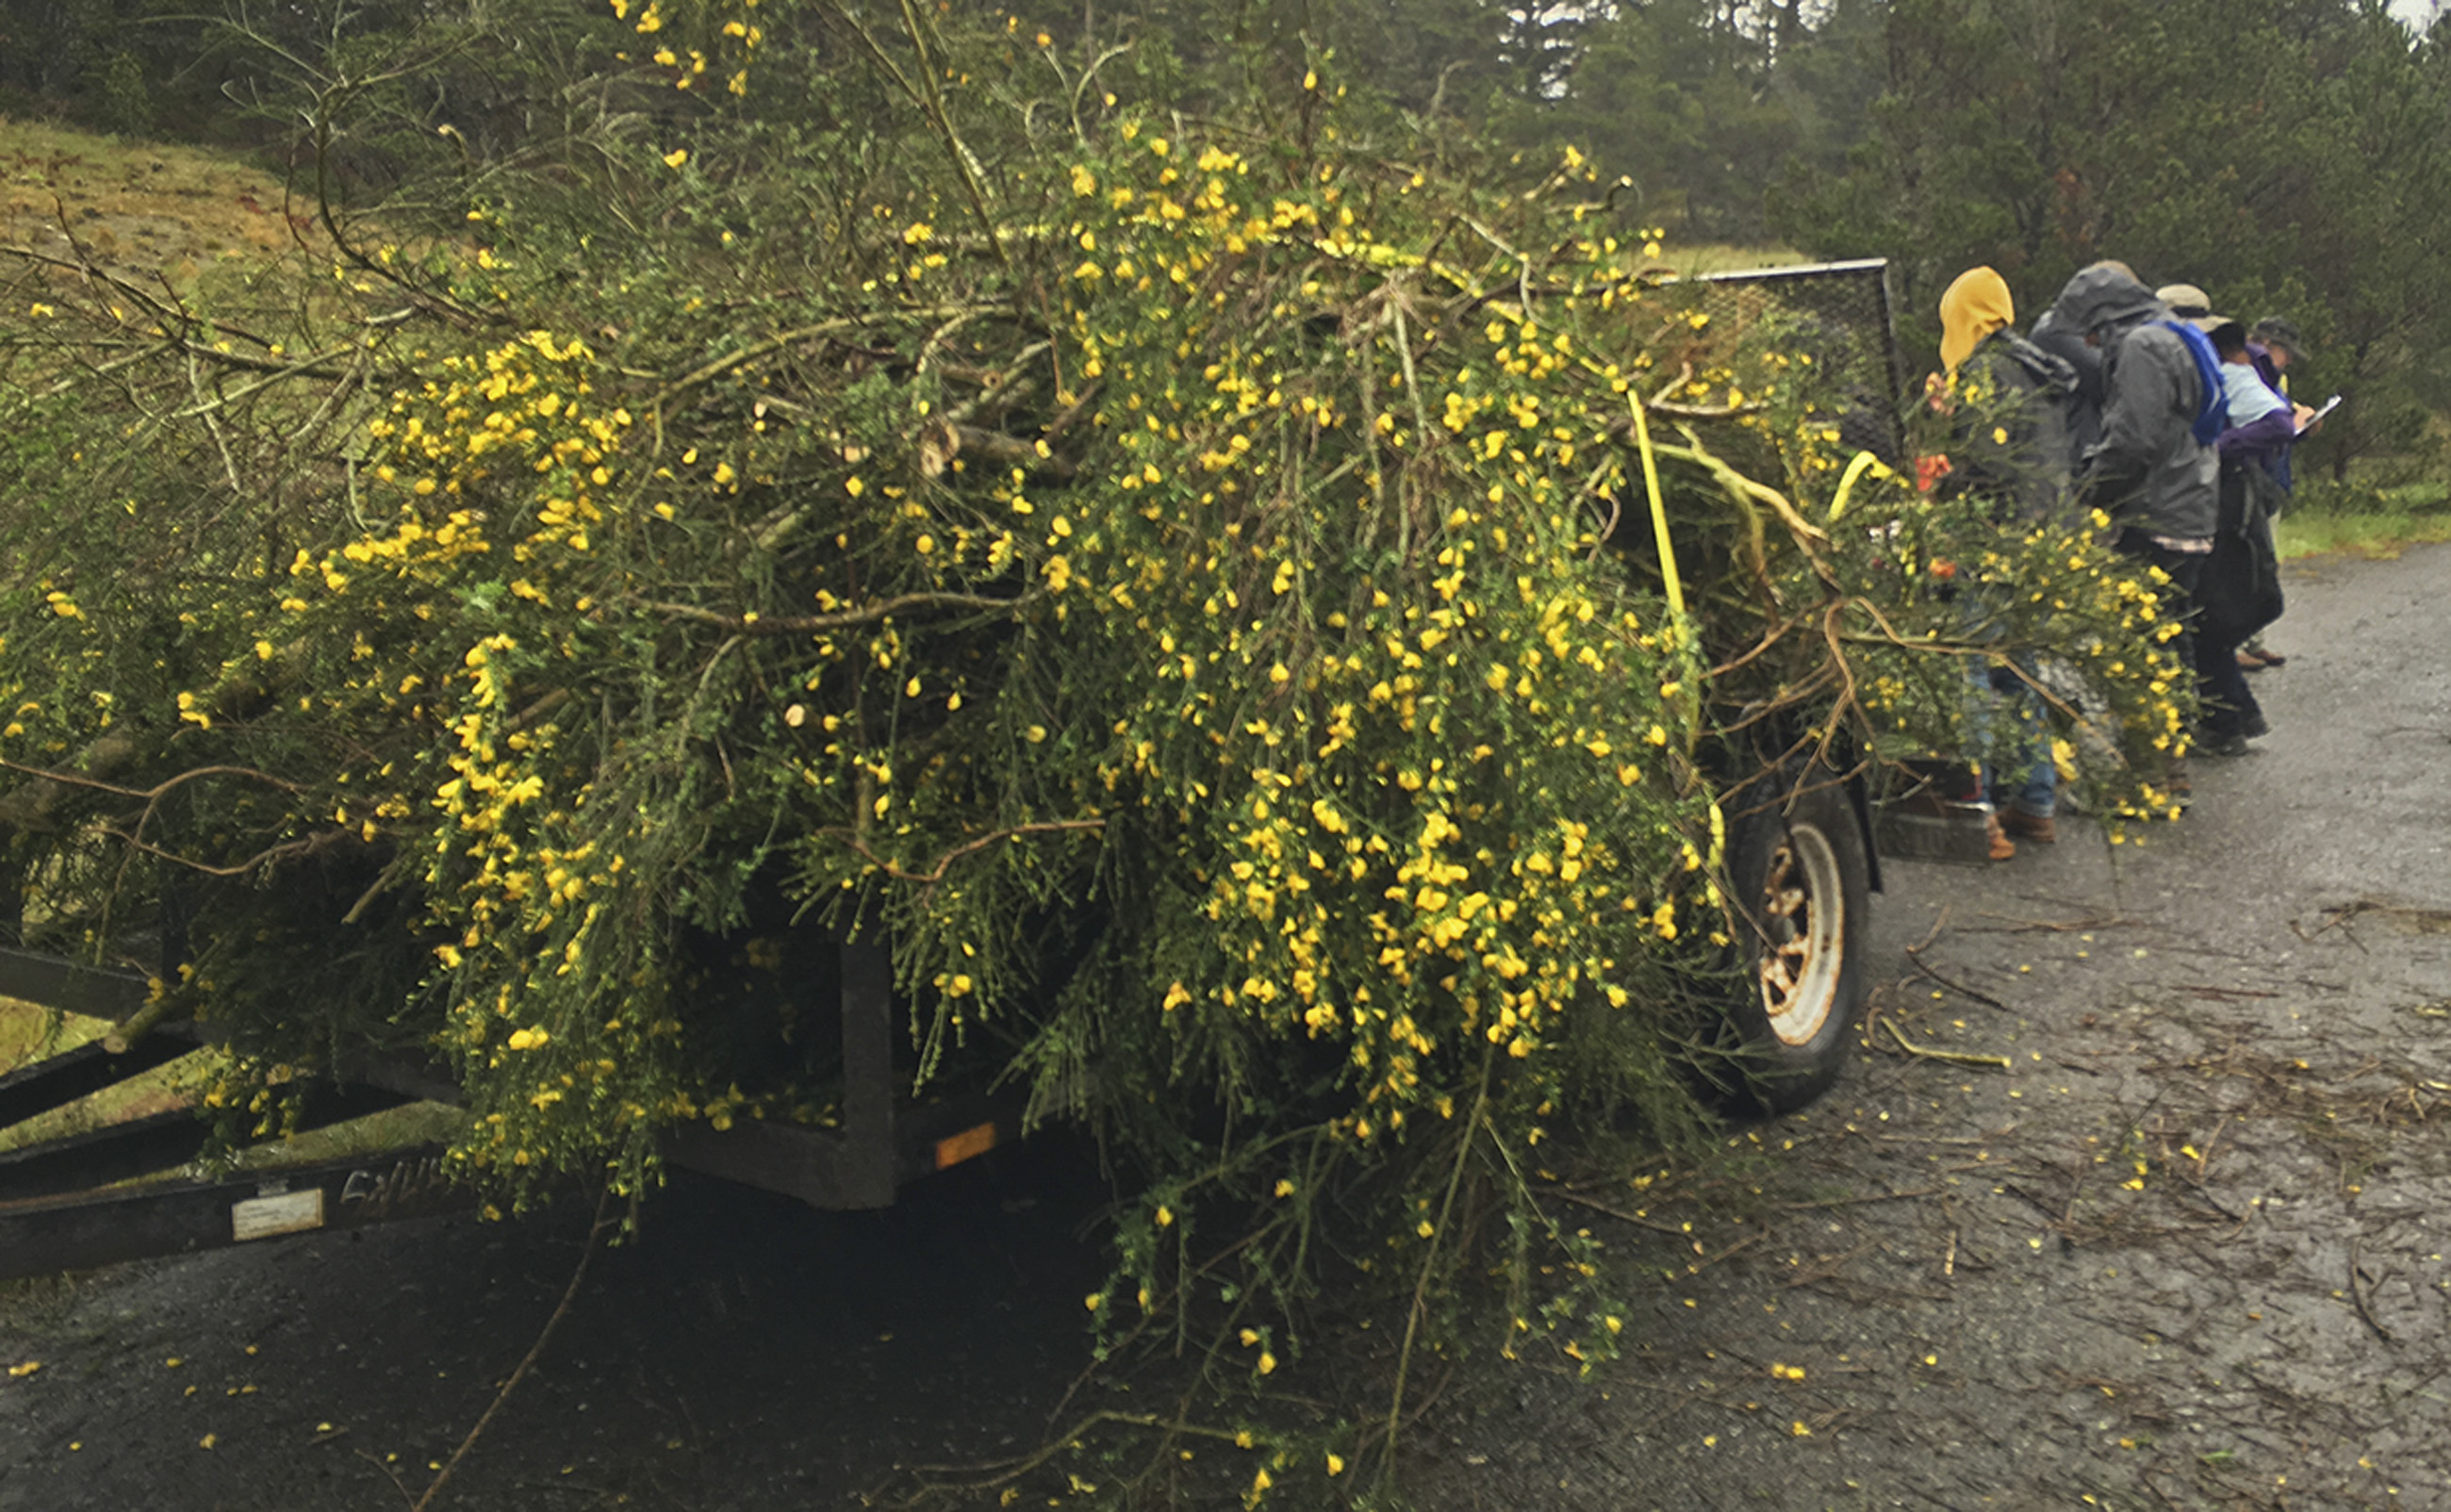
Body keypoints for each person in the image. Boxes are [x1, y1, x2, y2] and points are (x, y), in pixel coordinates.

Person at [2046, 263, 2221, 778]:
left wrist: (2089, 488)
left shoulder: (2143, 347)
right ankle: (2171, 758)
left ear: (2106, 317)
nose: (2089, 343)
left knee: (2144, 645)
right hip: (2189, 504)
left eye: (2090, 331)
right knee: (2170, 637)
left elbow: (2132, 440)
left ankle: (2153, 768)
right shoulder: (2175, 333)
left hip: (2156, 513)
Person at [1936, 267, 2080, 857]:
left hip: (1993, 542)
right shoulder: (2034, 367)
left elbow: (1986, 468)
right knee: (2020, 671)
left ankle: (1981, 813)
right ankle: (2036, 804)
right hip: (2039, 541)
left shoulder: (1985, 373)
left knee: (1972, 670)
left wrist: (1940, 484)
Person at [2191, 316, 2292, 754]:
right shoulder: (2230, 369)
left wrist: (2215, 448)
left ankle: (2226, 724)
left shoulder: (2230, 372)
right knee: (2207, 615)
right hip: (2222, 502)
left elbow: (2279, 424)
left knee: (2207, 613)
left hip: (2227, 506)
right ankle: (2237, 716)